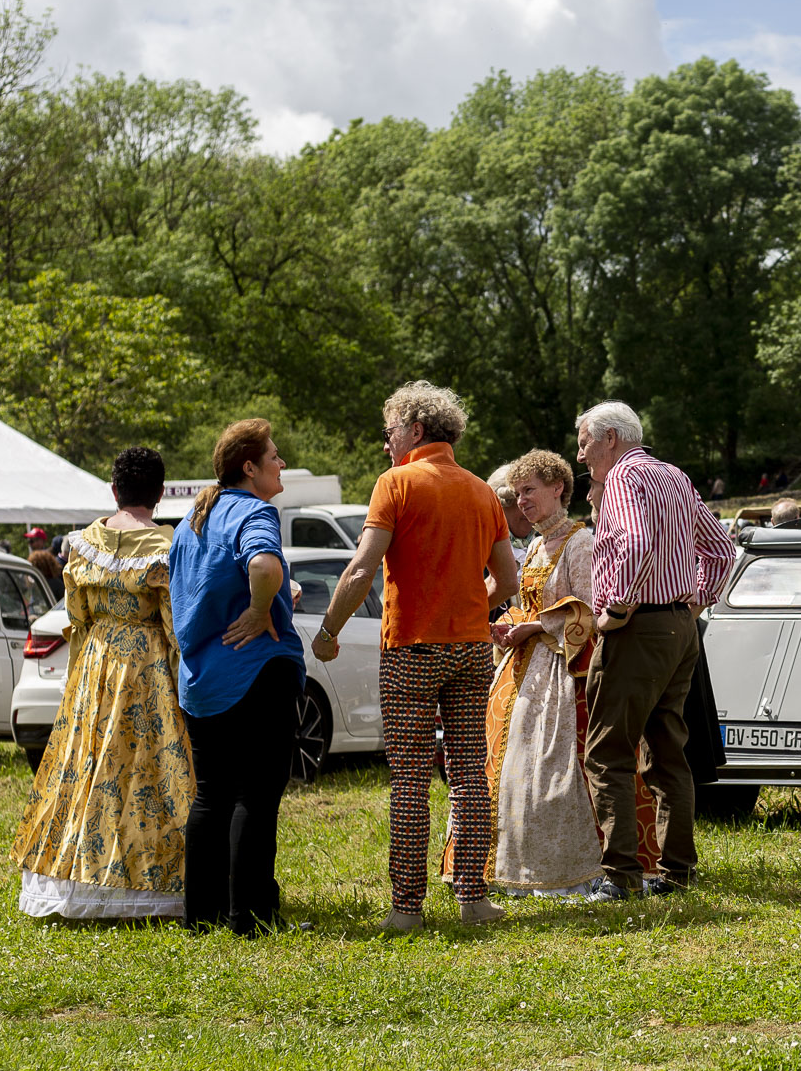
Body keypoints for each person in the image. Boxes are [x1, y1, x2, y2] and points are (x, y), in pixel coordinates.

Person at [313, 383, 520, 932]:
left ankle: (407, 908)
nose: (387, 445)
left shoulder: (396, 484)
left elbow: (361, 568)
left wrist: (329, 630)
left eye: (391, 433)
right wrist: (475, 610)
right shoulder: (481, 491)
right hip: (472, 649)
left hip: (411, 650)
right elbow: (509, 579)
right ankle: (474, 898)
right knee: (470, 774)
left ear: (416, 430)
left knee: (409, 781)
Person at [11, 446, 190, 921]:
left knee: (87, 761)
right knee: (145, 768)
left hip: (96, 659)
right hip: (145, 664)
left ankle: (72, 877)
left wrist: (92, 651)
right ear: (159, 494)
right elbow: (175, 620)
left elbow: (76, 612)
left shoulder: (84, 541)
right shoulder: (165, 547)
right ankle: (148, 881)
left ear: (114, 490)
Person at [575, 400, 734, 901]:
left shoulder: (623, 477)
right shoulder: (673, 474)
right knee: (668, 752)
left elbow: (637, 544)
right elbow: (722, 547)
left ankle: (620, 876)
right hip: (678, 629)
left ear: (611, 439)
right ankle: (677, 871)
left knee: (607, 753)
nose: (581, 456)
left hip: (639, 627)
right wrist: (695, 602)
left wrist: (618, 608)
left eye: (584, 442)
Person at [480, 450, 650, 896]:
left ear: (558, 488)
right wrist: (512, 623)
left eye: (530, 490)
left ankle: (580, 869)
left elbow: (592, 610)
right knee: (519, 769)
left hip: (568, 670)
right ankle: (524, 865)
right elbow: (528, 603)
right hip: (528, 669)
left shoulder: (581, 542)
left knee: (562, 769)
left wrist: (534, 626)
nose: (523, 502)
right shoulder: (535, 545)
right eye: (518, 494)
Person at [165, 422, 305, 935]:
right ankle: (250, 919)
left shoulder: (190, 523)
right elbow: (265, 566)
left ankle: (199, 918)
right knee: (256, 795)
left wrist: (263, 600)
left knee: (212, 796)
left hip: (201, 678)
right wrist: (258, 608)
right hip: (254, 671)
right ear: (249, 467)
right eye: (274, 455)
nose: (281, 462)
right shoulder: (253, 511)